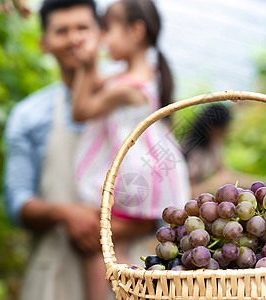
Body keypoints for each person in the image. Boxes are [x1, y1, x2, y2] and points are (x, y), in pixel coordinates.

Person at [70, 0, 191, 299]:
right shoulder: (143, 74)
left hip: (134, 176)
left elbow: (81, 110)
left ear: (136, 31)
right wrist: (91, 63)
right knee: (111, 243)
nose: (103, 37)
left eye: (107, 29)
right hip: (143, 173)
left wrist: (87, 63)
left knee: (102, 241)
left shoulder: (128, 88)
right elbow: (97, 84)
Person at [3, 1, 106, 299]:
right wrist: (64, 213)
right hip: (52, 277)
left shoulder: (132, 107)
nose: (74, 38)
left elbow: (162, 206)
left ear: (101, 34)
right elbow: (16, 202)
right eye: (62, 31)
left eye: (83, 28)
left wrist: (107, 230)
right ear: (44, 44)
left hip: (127, 275)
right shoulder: (29, 115)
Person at [182, 104, 259, 197]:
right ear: (214, 128)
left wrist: (261, 184)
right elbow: (185, 190)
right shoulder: (193, 152)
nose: (227, 132)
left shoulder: (214, 145)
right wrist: (217, 182)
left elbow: (228, 175)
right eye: (225, 128)